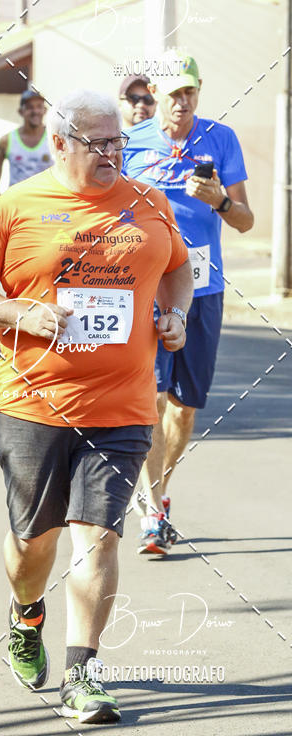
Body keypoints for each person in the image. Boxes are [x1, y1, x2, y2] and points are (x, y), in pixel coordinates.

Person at [0, 89, 193, 723]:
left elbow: (178, 267)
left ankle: (83, 675)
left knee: (98, 538)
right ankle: (25, 614)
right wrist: (19, 311)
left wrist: (177, 316)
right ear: (60, 144)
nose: (114, 153)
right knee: (36, 540)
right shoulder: (15, 207)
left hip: (123, 406)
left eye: (119, 142)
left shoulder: (149, 203)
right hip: (33, 405)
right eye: (99, 143)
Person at [122, 52, 253, 555]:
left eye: (189, 92)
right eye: (173, 92)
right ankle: (153, 510)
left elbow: (245, 221)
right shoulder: (131, 142)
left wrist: (218, 199)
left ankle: (161, 491)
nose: (182, 101)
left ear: (199, 91)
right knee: (152, 398)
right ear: (156, 94)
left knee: (183, 407)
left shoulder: (221, 139)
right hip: (146, 286)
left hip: (203, 288)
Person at [0, 89, 53, 193]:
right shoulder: (7, 140)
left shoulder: (54, 138)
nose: (35, 111)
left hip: (47, 202)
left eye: (39, 106)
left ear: (45, 110)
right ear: (21, 112)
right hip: (17, 203)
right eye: (29, 107)